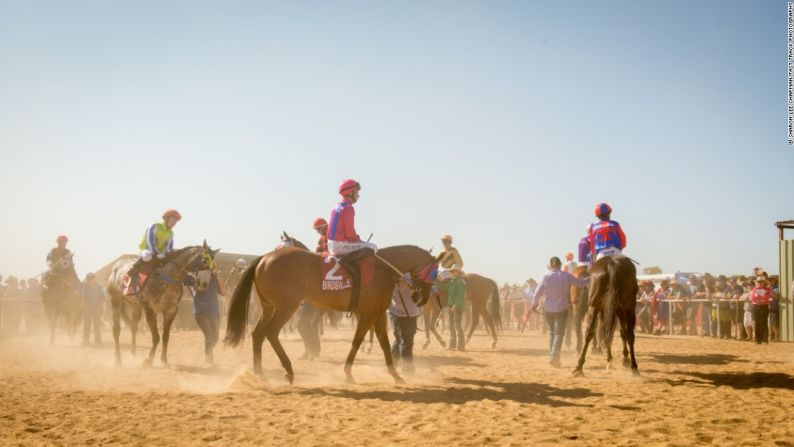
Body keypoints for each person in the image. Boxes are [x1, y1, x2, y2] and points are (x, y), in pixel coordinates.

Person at [531, 256, 588, 367]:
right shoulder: (566, 276)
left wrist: (534, 305)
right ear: (560, 264)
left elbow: (537, 293)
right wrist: (591, 278)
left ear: (551, 265)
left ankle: (553, 355)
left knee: (552, 332)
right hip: (561, 309)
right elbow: (580, 283)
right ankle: (554, 356)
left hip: (547, 309)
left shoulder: (545, 277)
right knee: (559, 333)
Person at [127, 209, 182, 290]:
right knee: (147, 256)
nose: (174, 223)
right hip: (147, 250)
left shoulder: (170, 233)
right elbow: (150, 241)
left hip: (159, 254)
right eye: (173, 220)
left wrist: (166, 254)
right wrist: (155, 253)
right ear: (166, 218)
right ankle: (133, 269)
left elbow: (169, 248)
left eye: (176, 221)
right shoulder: (155, 226)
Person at [298, 218, 328, 359]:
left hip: (326, 284)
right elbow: (317, 255)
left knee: (310, 323)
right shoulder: (320, 240)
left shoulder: (331, 237)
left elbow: (330, 255)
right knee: (304, 325)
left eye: (318, 229)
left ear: (324, 227)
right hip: (315, 286)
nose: (317, 232)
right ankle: (311, 350)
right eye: (316, 230)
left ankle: (312, 351)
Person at [192, 264, 228, 364]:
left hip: (213, 312)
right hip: (200, 311)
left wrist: (219, 278)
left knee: (215, 338)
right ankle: (209, 360)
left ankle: (208, 352)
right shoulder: (195, 276)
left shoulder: (215, 277)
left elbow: (224, 292)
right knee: (209, 336)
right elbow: (196, 286)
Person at [389, 275, 422, 373]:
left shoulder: (413, 277)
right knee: (405, 340)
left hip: (412, 313)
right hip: (398, 314)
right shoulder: (393, 277)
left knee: (402, 339)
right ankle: (407, 367)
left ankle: (392, 364)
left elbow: (426, 287)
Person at [81, 273, 105, 346]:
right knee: (87, 324)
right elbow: (82, 297)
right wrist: (84, 305)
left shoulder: (99, 287)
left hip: (97, 308)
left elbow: (102, 297)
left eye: (91, 279)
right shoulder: (85, 287)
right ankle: (86, 340)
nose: (90, 280)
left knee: (97, 324)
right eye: (88, 279)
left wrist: (100, 305)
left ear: (94, 279)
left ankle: (98, 340)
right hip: (87, 307)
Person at [749, 275, 772, 344]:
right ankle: (757, 339)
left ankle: (765, 339)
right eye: (759, 281)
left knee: (764, 323)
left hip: (764, 306)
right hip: (756, 307)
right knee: (757, 323)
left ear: (764, 282)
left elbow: (767, 297)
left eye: (761, 281)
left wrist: (759, 298)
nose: (760, 283)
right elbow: (752, 298)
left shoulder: (767, 289)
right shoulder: (755, 289)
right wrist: (761, 298)